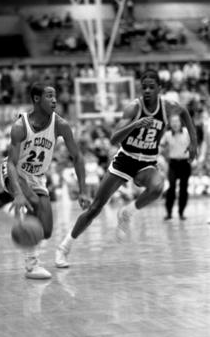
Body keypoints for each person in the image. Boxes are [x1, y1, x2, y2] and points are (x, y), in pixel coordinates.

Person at [55, 69, 198, 268]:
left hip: (147, 162)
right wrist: (135, 124)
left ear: (160, 89)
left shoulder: (169, 107)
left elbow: (185, 114)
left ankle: (127, 212)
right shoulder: (133, 108)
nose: (147, 90)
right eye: (144, 87)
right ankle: (64, 248)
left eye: (151, 87)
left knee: (158, 187)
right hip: (125, 160)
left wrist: (194, 142)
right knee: (95, 207)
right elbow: (114, 139)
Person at [0, 81, 89, 279]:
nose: (54, 100)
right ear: (36, 99)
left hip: (37, 176)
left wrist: (83, 190)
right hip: (14, 171)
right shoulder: (19, 126)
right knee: (33, 201)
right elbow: (12, 164)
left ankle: (28, 240)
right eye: (49, 96)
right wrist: (18, 193)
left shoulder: (61, 125)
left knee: (46, 230)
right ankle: (32, 264)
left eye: (55, 95)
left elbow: (78, 157)